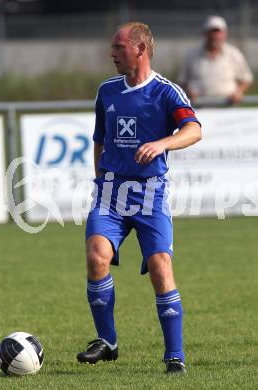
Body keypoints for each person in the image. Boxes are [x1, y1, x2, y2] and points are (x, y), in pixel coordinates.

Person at [76, 22, 202, 374]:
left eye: (118, 47)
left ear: (140, 50)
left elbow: (194, 129)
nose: (111, 53)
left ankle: (174, 355)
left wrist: (162, 143)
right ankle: (107, 341)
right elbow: (99, 138)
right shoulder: (107, 91)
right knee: (96, 255)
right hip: (111, 193)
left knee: (161, 268)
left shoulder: (166, 92)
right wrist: (101, 179)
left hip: (150, 193)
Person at [178, 15, 253, 105]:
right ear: (205, 33)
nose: (215, 36)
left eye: (218, 32)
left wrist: (238, 92)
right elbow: (182, 80)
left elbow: (246, 78)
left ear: (225, 34)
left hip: (228, 108)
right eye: (211, 32)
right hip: (199, 108)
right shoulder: (192, 55)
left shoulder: (234, 54)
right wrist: (188, 92)